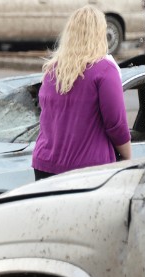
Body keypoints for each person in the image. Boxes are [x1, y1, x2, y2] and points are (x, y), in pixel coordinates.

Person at [31, 5, 132, 181]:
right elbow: (116, 124)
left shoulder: (51, 70)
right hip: (87, 170)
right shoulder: (105, 70)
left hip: (44, 165)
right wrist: (128, 157)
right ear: (100, 33)